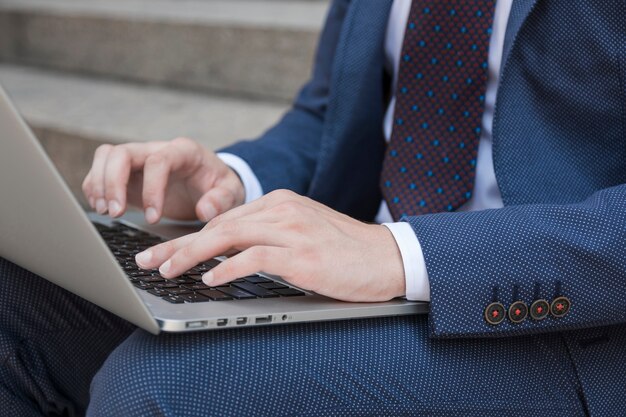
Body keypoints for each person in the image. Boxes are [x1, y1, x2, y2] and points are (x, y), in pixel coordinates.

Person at [1, 0, 625, 415]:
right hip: (366, 271)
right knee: (16, 300)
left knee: (165, 388)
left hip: (567, 315)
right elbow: (332, 114)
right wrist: (233, 182)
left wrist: (399, 253)